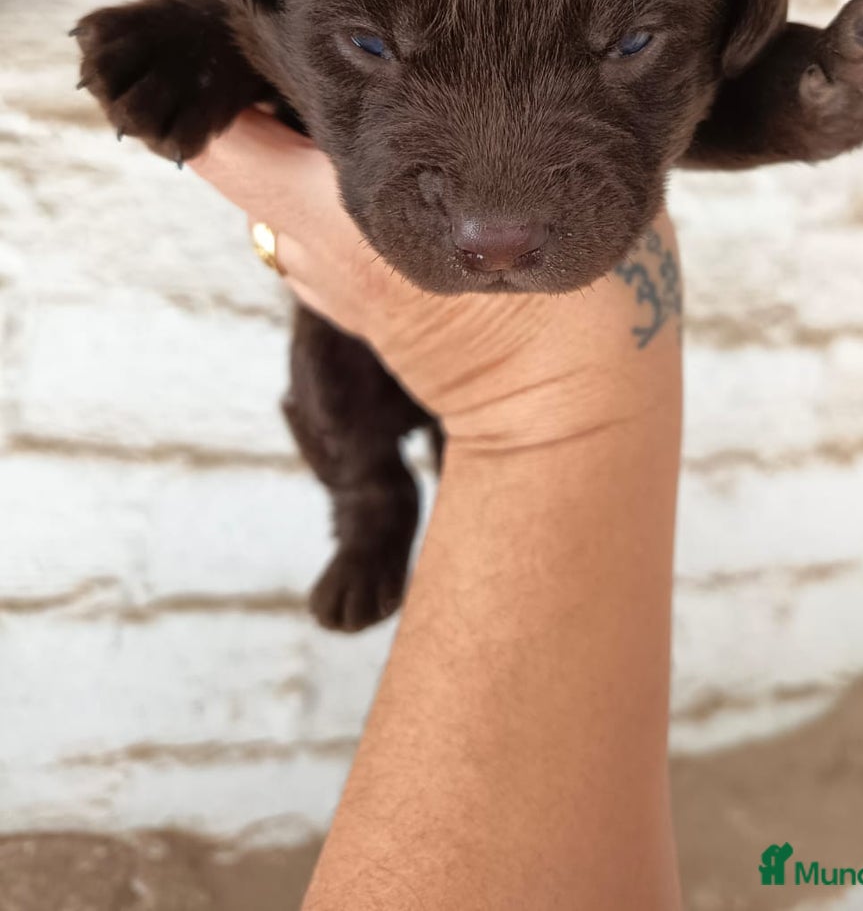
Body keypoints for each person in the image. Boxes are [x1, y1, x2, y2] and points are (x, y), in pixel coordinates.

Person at [190, 106, 685, 910]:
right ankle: (374, 513)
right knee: (337, 416)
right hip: (350, 344)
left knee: (465, 480)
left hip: (528, 388)